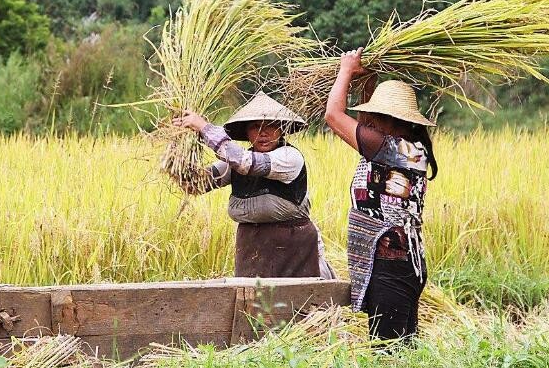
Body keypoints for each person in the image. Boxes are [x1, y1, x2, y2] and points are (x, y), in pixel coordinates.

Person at [324, 47, 438, 342]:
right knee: (400, 349)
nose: (368, 120)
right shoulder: (408, 148)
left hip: (392, 268)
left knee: (390, 352)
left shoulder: (391, 148)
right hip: (397, 265)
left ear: (392, 120)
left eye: (376, 115)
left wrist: (345, 70)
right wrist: (367, 80)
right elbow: (362, 125)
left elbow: (334, 116)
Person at [173, 91, 335, 279]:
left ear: (282, 128)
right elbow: (195, 184)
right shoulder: (232, 165)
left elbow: (246, 162)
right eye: (255, 127)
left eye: (271, 125)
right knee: (251, 306)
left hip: (293, 250)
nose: (263, 133)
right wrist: (180, 145)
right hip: (252, 248)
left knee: (297, 305)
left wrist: (205, 128)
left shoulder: (289, 158)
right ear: (247, 133)